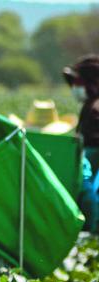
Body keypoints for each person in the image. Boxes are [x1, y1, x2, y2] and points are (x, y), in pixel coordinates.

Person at [63, 54, 99, 232]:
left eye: (78, 82)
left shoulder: (95, 109)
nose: (75, 87)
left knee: (89, 196)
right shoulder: (90, 105)